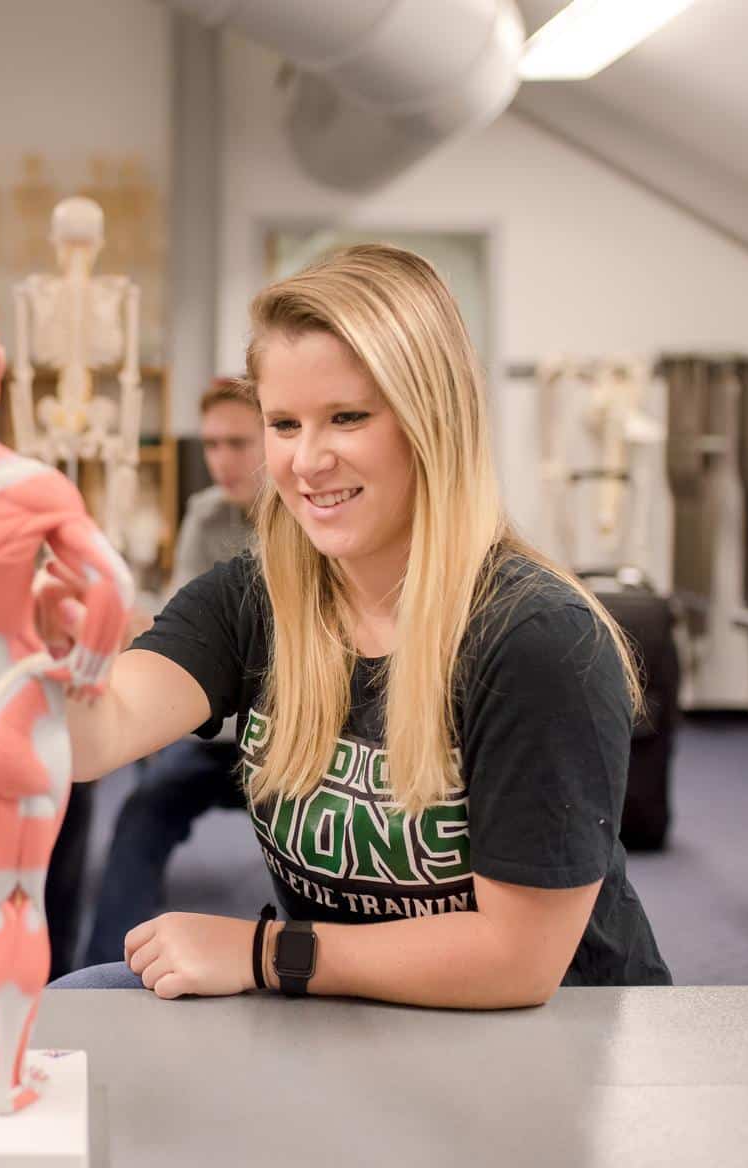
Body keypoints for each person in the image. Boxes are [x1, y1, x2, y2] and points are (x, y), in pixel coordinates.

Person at [49, 245, 670, 1003]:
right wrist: (52, 650)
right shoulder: (256, 597)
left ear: (428, 421)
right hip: (351, 1010)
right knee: (82, 1004)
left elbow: (517, 961)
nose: (306, 461)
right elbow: (93, 740)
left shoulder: (538, 638)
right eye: (283, 423)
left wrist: (266, 952)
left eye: (346, 417)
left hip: (547, 1035)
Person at [81, 379, 264, 964]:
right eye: (211, 445)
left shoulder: (316, 525)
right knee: (143, 810)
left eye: (238, 443)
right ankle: (105, 972)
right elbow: (190, 623)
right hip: (214, 738)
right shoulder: (204, 514)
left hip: (289, 741)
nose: (222, 460)